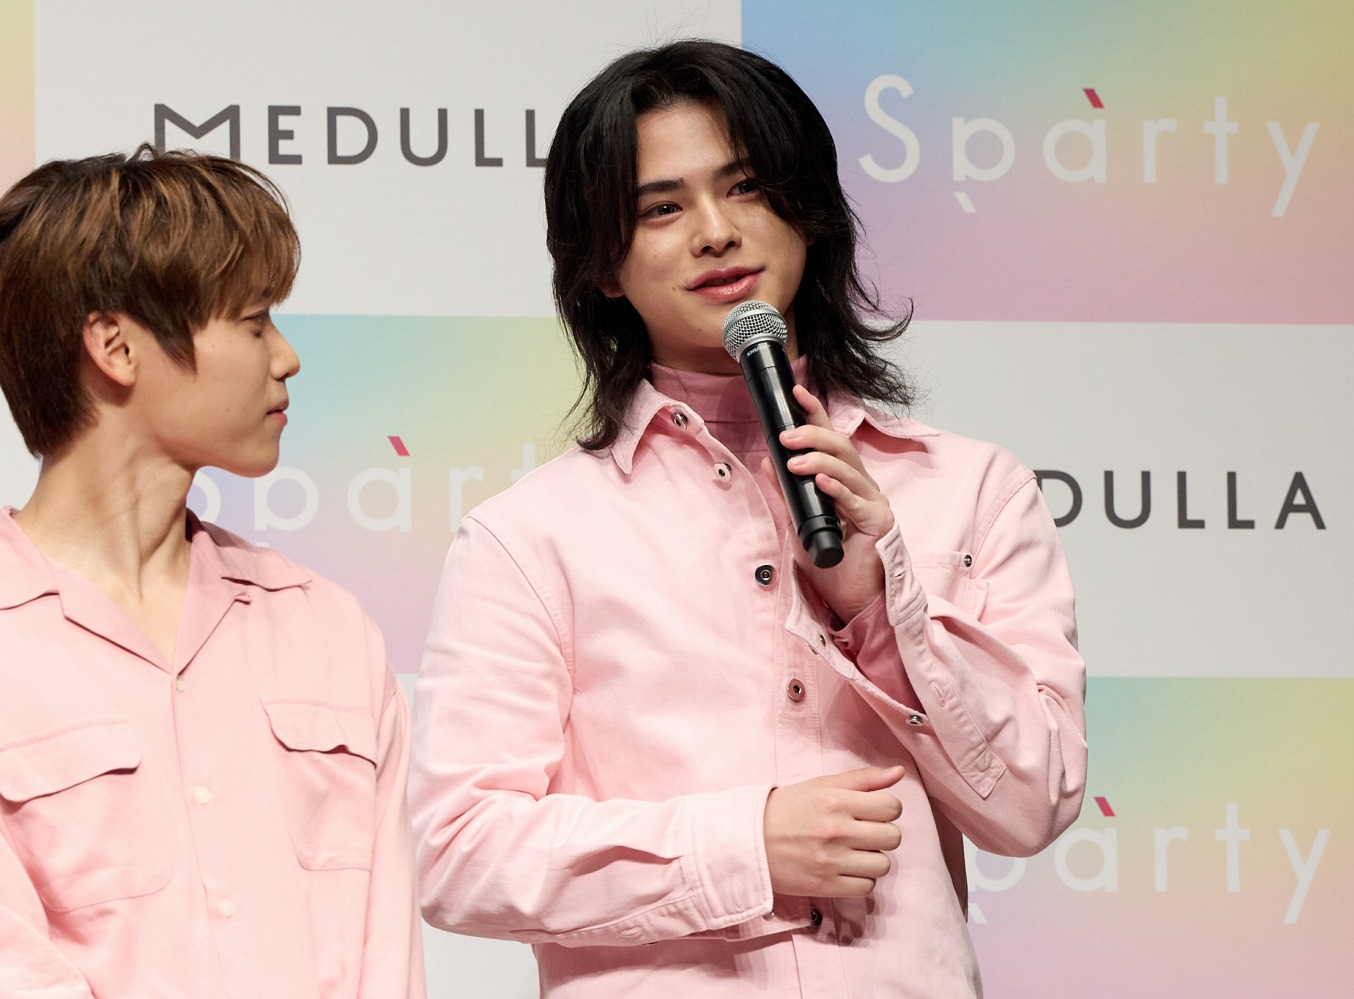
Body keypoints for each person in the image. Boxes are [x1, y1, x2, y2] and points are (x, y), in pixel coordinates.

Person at [410, 39, 1086, 997]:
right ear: (604, 265)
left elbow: (1031, 803)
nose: (717, 232)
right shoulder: (530, 537)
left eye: (748, 188)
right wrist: (744, 847)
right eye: (662, 208)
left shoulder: (971, 488)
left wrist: (878, 604)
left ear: (808, 209)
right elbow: (459, 852)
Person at [0, 147, 424, 998]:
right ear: (116, 346)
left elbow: (389, 957)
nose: (287, 356)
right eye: (255, 320)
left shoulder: (328, 629)